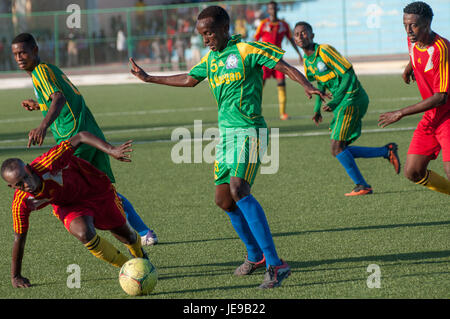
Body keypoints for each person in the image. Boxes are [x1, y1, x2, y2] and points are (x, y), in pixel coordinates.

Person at [129, 5, 329, 289]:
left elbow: (282, 65)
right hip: (225, 137)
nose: (206, 39)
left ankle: (276, 264)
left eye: (210, 32)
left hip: (250, 132)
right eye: (202, 34)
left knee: (239, 189)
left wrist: (307, 85)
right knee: (223, 200)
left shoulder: (247, 49)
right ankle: (255, 255)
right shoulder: (210, 59)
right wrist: (149, 78)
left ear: (225, 29)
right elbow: (189, 79)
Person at [10, 33, 158, 245]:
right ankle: (145, 232)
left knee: (71, 193)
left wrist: (43, 126)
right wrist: (39, 105)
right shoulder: (50, 69)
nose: (19, 57)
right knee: (106, 188)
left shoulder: (40, 72)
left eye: (23, 52)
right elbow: (67, 99)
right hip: (90, 134)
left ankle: (114, 236)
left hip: (74, 140)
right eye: (15, 54)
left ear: (35, 50)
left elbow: (59, 99)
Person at [1, 131, 147, 288]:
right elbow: (19, 237)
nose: (26, 183)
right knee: (84, 233)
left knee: (127, 236)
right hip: (68, 205)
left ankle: (140, 256)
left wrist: (111, 150)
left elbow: (81, 136)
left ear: (28, 168)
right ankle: (128, 269)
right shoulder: (20, 204)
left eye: (26, 176)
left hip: (96, 190)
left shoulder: (48, 162)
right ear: (12, 187)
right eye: (19, 184)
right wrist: (15, 275)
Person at [294, 21, 401, 196]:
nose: (300, 36)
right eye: (297, 34)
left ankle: (362, 185)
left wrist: (335, 101)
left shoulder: (325, 51)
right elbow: (321, 84)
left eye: (304, 33)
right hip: (342, 101)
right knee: (340, 148)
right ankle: (386, 151)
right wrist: (316, 108)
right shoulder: (307, 61)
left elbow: (348, 74)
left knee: (336, 147)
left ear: (312, 35)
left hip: (353, 97)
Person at [379, 1, 450, 195]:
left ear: (427, 24)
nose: (408, 30)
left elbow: (441, 97)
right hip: (431, 118)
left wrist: (401, 112)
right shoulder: (413, 39)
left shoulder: (441, 49)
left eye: (414, 25)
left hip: (448, 116)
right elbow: (415, 52)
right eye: (405, 25)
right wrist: (409, 67)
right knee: (413, 172)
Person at [254, 1, 303, 120]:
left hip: (278, 60)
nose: (273, 10)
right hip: (264, 60)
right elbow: (255, 40)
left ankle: (283, 113)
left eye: (275, 8)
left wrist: (299, 53)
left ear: (278, 9)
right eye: (271, 8)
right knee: (260, 86)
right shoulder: (263, 24)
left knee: (281, 84)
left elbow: (291, 40)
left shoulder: (284, 25)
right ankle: (256, 111)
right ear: (268, 10)